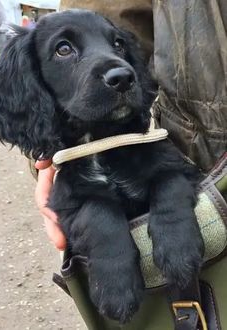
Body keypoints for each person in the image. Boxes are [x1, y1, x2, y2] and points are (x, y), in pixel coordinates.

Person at [35, 0, 227, 250]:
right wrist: (47, 150)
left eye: (117, 45)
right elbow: (102, 14)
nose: (119, 70)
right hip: (206, 170)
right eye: (63, 48)